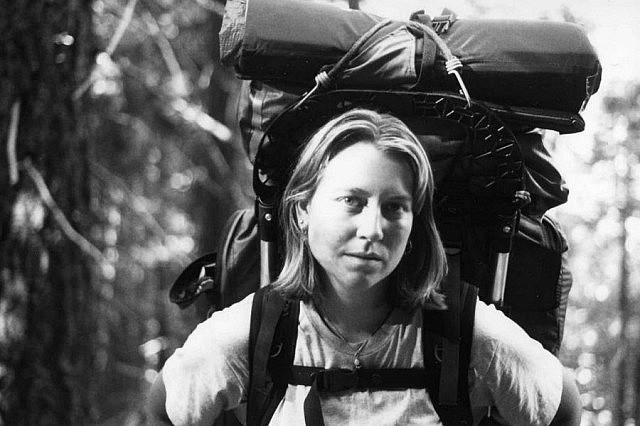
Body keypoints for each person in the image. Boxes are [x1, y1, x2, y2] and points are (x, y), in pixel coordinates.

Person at [147, 108, 580, 425]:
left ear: (415, 223)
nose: (373, 228)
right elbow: (165, 408)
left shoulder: (462, 330)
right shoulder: (255, 333)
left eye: (395, 207)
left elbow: (561, 406)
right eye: (351, 201)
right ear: (302, 211)